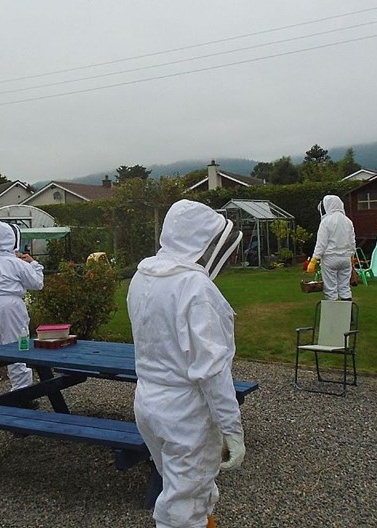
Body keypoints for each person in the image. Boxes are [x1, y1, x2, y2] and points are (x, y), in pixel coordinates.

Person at [128, 200, 246, 528]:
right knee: (183, 508)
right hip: (184, 412)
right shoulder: (196, 289)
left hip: (148, 403)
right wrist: (231, 428)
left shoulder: (142, 277)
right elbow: (212, 370)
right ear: (202, 242)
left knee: (184, 487)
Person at [0, 221, 44, 400]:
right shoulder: (16, 263)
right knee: (19, 349)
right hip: (10, 307)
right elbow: (37, 283)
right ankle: (22, 395)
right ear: (12, 240)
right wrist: (33, 264)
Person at [307, 194, 356, 300]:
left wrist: (314, 260)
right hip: (345, 259)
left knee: (331, 290)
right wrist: (352, 256)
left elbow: (321, 244)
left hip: (330, 259)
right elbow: (352, 242)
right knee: (345, 288)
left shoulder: (326, 221)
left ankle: (333, 316)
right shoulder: (348, 221)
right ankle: (348, 316)